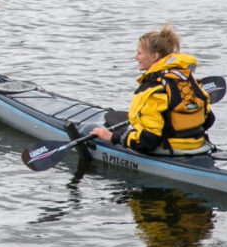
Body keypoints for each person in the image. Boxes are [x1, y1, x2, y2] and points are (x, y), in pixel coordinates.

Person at [90, 25, 215, 156]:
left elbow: (148, 141)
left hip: (170, 151)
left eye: (139, 53)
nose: (136, 57)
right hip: (198, 146)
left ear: (155, 56)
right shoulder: (190, 81)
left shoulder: (152, 90)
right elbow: (209, 120)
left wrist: (112, 137)